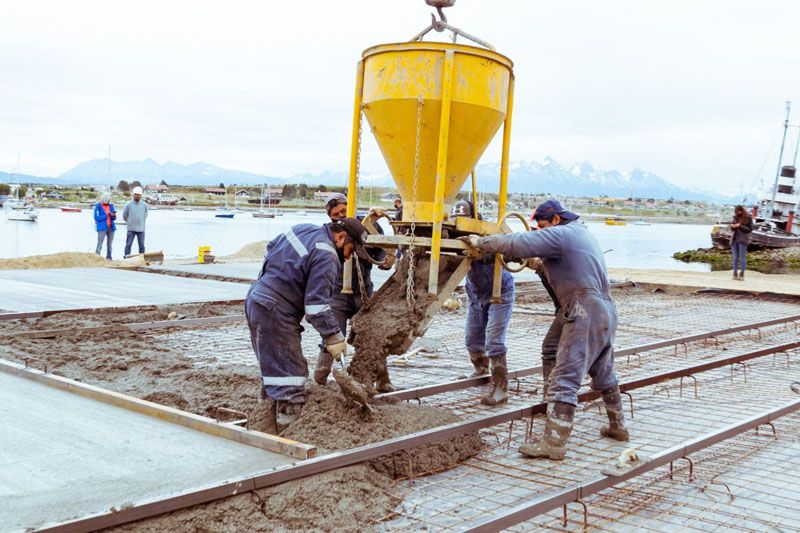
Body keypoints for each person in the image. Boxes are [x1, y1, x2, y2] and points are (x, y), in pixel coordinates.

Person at [460, 199, 628, 460]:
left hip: (583, 308)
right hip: (603, 308)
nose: (540, 231)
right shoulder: (581, 234)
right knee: (592, 364)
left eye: (542, 226)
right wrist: (534, 264)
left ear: (556, 220)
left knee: (566, 375)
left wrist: (482, 242)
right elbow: (562, 268)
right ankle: (618, 426)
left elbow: (520, 242)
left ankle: (554, 443)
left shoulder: (562, 234)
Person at [246, 217, 370, 429]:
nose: (348, 257)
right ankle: (287, 431)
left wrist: (278, 280)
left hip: (256, 298)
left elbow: (272, 248)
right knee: (291, 376)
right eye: (351, 250)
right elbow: (316, 306)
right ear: (341, 237)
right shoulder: (327, 256)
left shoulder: (304, 229)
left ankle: (263, 423)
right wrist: (334, 336)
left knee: (274, 366)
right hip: (276, 310)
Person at [314, 193, 396, 391]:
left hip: (363, 293)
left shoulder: (366, 228)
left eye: (344, 211)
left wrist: (384, 254)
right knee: (333, 336)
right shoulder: (329, 234)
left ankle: (383, 380)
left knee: (372, 336)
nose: (341, 216)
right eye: (336, 215)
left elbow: (382, 258)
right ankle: (319, 380)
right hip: (337, 294)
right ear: (329, 217)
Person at [451, 200, 515, 406]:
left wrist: (482, 252)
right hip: (475, 292)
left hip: (499, 291)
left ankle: (500, 388)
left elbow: (508, 252)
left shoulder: (489, 232)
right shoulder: (453, 234)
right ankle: (480, 370)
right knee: (472, 339)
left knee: (494, 341)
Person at [123, 186, 149, 257]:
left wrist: (140, 221)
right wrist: (129, 222)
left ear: (141, 195)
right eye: (136, 194)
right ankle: (126, 258)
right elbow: (124, 216)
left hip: (141, 229)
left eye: (138, 194)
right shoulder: (128, 205)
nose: (137, 196)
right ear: (133, 194)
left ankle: (141, 258)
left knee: (142, 246)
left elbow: (145, 214)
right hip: (131, 229)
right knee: (128, 245)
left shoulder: (144, 205)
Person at [730, 205, 752, 281]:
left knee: (742, 258)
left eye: (738, 211)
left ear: (741, 210)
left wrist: (740, 226)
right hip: (734, 239)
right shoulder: (735, 217)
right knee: (735, 258)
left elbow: (749, 229)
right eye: (736, 212)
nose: (737, 213)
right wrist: (733, 226)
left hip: (743, 240)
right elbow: (732, 229)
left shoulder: (748, 217)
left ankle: (742, 274)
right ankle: (735, 273)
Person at [93, 192, 117, 260]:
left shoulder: (111, 205)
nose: (107, 202)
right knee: (100, 244)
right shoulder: (97, 206)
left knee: (110, 245)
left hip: (111, 228)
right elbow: (96, 218)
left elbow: (114, 218)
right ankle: (97, 258)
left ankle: (109, 258)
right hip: (102, 228)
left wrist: (113, 215)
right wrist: (106, 215)